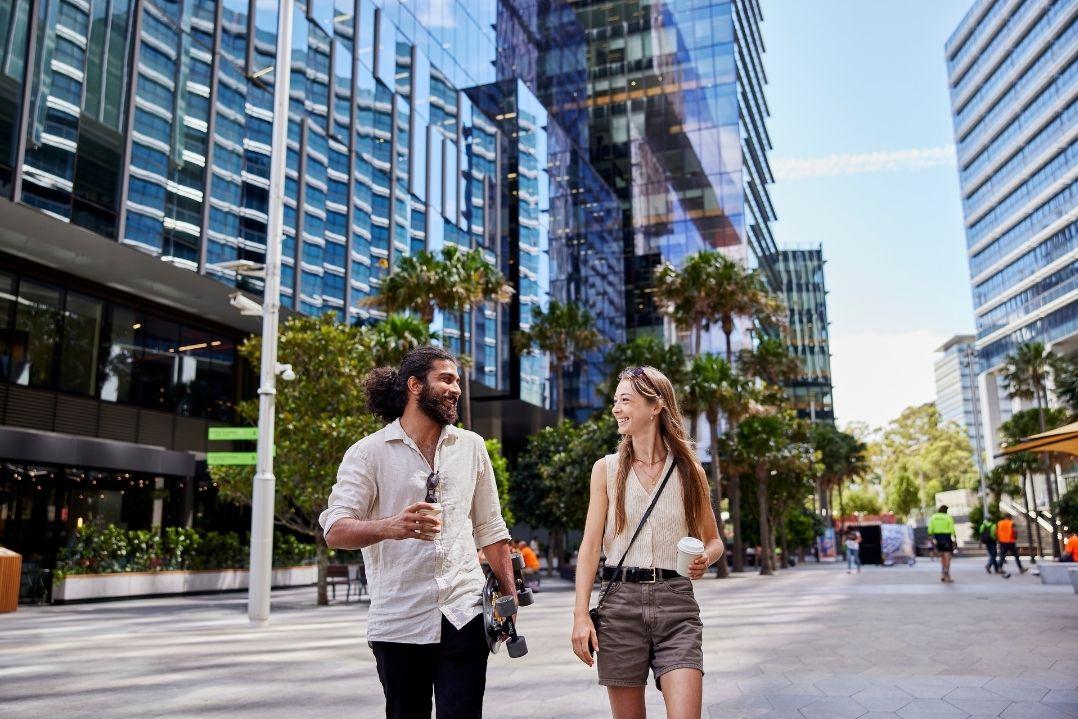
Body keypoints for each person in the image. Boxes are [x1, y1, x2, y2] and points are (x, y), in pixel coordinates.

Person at [320, 346, 516, 719]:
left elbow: (491, 527)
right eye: (446, 379)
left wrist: (508, 597)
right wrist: (391, 526)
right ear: (414, 385)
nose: (456, 388)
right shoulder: (368, 453)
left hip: (465, 612)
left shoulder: (472, 447)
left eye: (457, 380)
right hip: (399, 621)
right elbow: (335, 529)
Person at [571, 366, 723, 719]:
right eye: (615, 402)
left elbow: (713, 540)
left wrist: (706, 558)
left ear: (655, 406)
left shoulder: (689, 471)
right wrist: (581, 615)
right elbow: (590, 547)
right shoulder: (606, 470)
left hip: (677, 604)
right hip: (619, 605)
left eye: (625, 400)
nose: (616, 409)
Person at [927, 505, 958, 583]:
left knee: (942, 556)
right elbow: (952, 529)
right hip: (946, 537)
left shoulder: (934, 517)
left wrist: (931, 540)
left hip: (938, 537)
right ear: (946, 510)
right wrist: (955, 540)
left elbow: (930, 530)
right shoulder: (948, 517)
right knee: (948, 556)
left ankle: (943, 573)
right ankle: (946, 572)